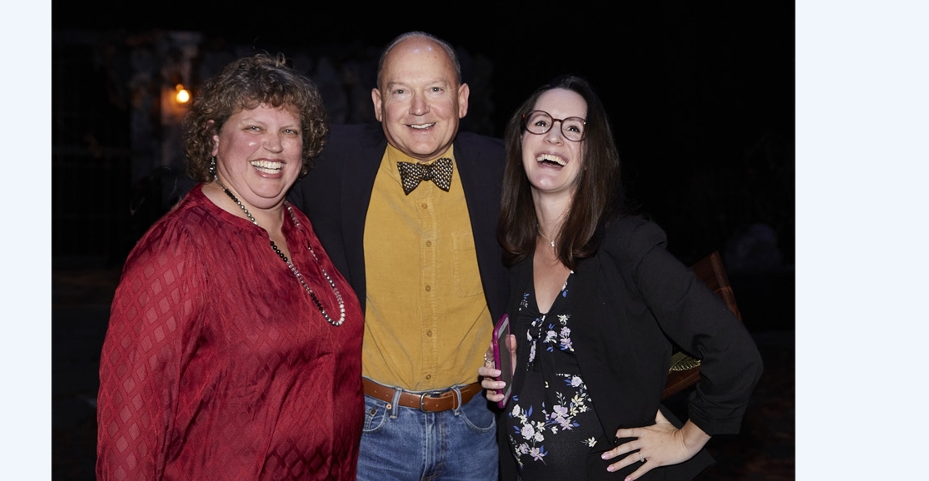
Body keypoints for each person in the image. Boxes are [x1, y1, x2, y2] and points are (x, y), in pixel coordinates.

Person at [477, 76, 763, 481]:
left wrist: (686, 439)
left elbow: (735, 351)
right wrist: (508, 373)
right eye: (541, 122)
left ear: (592, 156)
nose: (554, 137)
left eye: (572, 128)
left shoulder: (625, 245)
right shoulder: (513, 254)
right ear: (520, 138)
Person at [96, 54, 364, 480]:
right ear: (215, 138)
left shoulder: (300, 226)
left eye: (288, 131)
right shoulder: (178, 250)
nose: (273, 145)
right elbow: (131, 427)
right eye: (253, 128)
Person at [288, 32, 508, 480]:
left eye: (436, 89)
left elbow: (579, 224)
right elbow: (255, 171)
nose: (419, 108)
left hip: (477, 427)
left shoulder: (504, 169)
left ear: (462, 99)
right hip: (373, 431)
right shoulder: (332, 163)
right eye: (401, 91)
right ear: (376, 103)